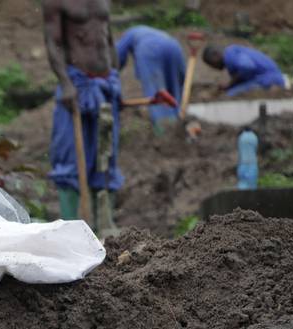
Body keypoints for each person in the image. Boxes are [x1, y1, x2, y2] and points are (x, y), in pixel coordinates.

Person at [42, 0, 123, 225]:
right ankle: (71, 225)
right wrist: (66, 83)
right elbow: (53, 41)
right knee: (70, 156)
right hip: (77, 83)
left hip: (107, 83)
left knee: (106, 154)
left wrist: (115, 78)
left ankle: (104, 226)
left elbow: (108, 38)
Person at [116, 25, 185, 129]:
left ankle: (164, 132)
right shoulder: (146, 31)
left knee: (157, 95)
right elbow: (181, 76)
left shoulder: (128, 34)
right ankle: (178, 125)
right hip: (174, 45)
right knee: (174, 89)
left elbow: (117, 58)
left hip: (149, 50)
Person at [202, 44, 286, 97]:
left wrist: (230, 83)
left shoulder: (230, 55)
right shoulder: (233, 52)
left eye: (211, 64)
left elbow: (247, 67)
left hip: (267, 78)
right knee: (232, 90)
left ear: (215, 55)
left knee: (231, 95)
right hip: (267, 77)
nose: (214, 68)